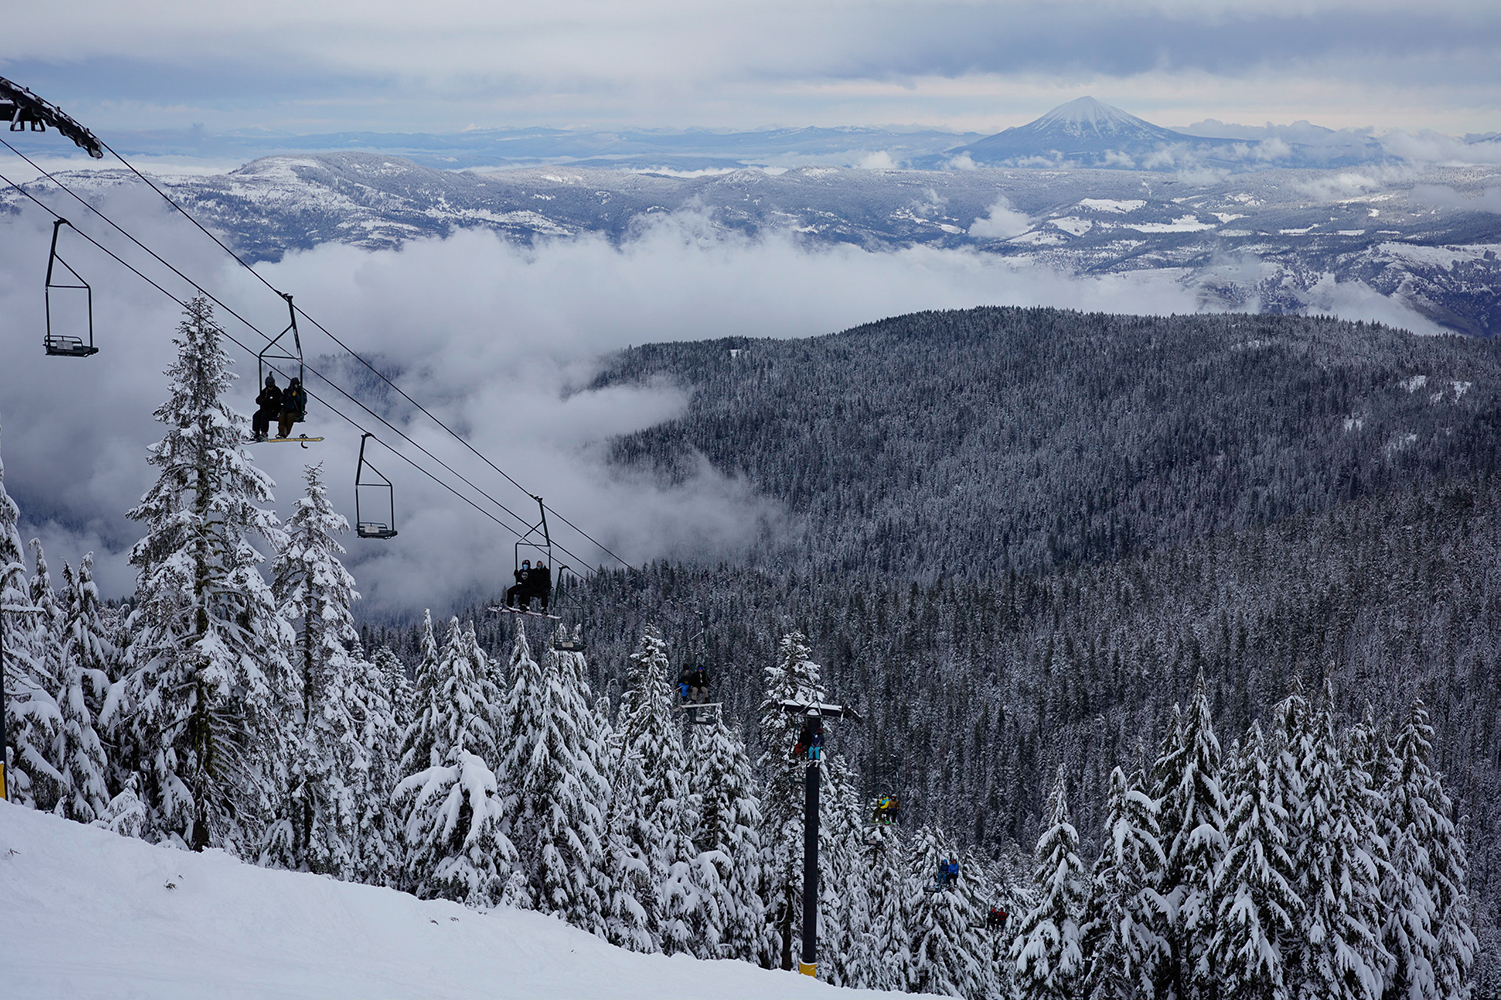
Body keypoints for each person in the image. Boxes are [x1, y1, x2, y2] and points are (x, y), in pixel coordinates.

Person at [253, 375, 282, 441]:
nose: (269, 388)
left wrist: (265, 402)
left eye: (270, 386)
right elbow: (257, 399)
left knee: (264, 416)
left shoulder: (277, 391)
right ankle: (256, 432)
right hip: (265, 409)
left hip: (274, 410)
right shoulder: (265, 391)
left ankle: (264, 432)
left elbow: (275, 402)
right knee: (256, 415)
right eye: (268, 386)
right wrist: (262, 401)